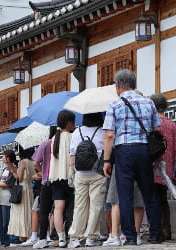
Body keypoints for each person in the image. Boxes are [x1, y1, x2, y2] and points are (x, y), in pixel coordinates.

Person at [102, 69, 162, 245]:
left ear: (118, 86)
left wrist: (106, 160)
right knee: (149, 193)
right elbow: (157, 129)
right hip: (144, 150)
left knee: (125, 195)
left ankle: (129, 236)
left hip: (124, 152)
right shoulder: (149, 102)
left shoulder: (115, 105)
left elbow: (109, 136)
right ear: (134, 84)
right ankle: (156, 234)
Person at [67, 113, 107, 248]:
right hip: (97, 173)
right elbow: (107, 152)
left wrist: (73, 171)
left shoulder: (77, 131)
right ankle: (91, 237)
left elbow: (72, 154)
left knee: (79, 206)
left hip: (80, 173)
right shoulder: (103, 131)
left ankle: (75, 238)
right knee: (96, 206)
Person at [149, 93, 176, 241]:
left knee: (153, 199)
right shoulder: (172, 125)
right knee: (163, 199)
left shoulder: (152, 123)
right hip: (167, 167)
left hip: (153, 165)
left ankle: (156, 230)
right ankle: (167, 229)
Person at [48, 110, 76, 247]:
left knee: (58, 208)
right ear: (70, 123)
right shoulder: (72, 137)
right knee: (72, 206)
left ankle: (61, 238)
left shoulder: (54, 138)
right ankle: (72, 236)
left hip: (56, 177)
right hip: (70, 177)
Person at [32, 126, 57, 249]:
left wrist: (43, 172)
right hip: (61, 180)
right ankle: (59, 237)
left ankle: (42, 238)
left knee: (44, 211)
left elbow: (36, 162)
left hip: (46, 181)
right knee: (60, 209)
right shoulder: (65, 142)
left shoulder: (45, 144)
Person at [7, 147, 36, 246]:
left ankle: (23, 236)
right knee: (28, 211)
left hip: (22, 190)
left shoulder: (23, 162)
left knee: (21, 213)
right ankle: (30, 234)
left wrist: (12, 171)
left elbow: (19, 178)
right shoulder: (32, 162)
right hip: (29, 189)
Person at [0, 150, 17, 247]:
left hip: (8, 198)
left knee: (6, 222)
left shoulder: (13, 168)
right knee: (0, 223)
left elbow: (7, 184)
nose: (2, 158)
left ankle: (8, 240)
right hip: (0, 198)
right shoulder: (5, 169)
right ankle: (4, 241)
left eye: (4, 156)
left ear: (8, 158)